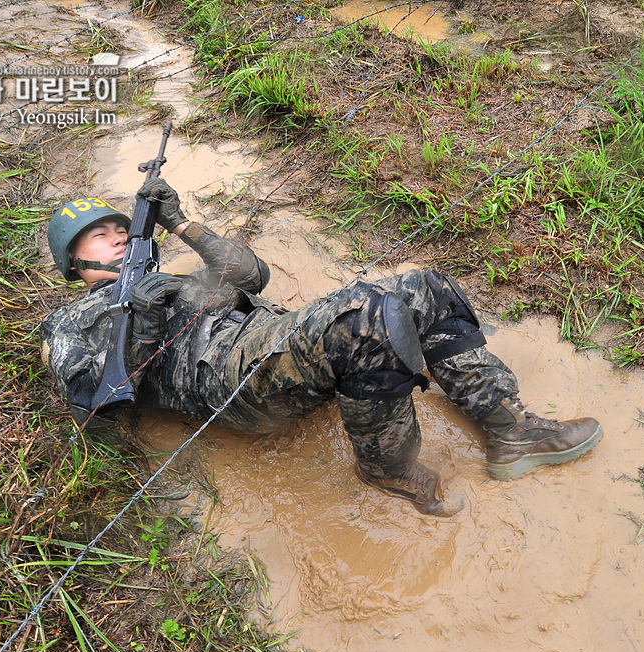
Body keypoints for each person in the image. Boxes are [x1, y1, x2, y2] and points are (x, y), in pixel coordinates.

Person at [41, 179, 603, 517]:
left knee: (423, 287)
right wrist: (138, 318)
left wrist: (183, 225)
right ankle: (390, 470)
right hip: (230, 382)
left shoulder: (176, 279)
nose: (117, 236)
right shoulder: (74, 321)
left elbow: (252, 275)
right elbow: (90, 409)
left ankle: (509, 427)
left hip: (270, 342)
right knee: (366, 319)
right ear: (74, 261)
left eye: (121, 228)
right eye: (99, 234)